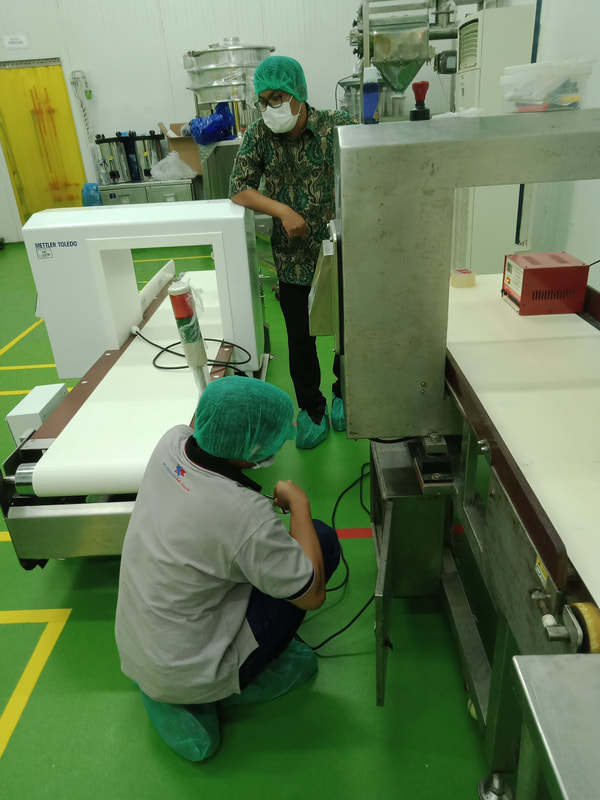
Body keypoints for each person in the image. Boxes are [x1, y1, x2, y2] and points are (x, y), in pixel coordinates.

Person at [115, 376, 340, 762]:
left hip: (138, 645)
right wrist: (299, 505)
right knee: (322, 541)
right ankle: (217, 691)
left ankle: (165, 688)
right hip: (190, 671)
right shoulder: (246, 516)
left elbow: (199, 425)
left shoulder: (170, 442)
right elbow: (313, 594)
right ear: (251, 452)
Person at [229, 55, 356, 449]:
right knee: (300, 340)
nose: (271, 108)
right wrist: (282, 210)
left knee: (347, 331)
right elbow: (239, 187)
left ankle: (345, 393)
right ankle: (312, 408)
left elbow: (368, 167)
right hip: (292, 258)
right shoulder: (259, 136)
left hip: (340, 250)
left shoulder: (338, 126)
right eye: (263, 100)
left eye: (278, 98)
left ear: (299, 93)